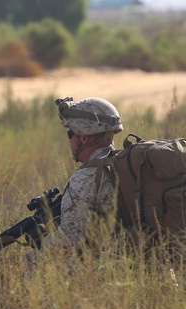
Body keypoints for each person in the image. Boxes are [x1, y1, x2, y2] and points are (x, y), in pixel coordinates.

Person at [23, 96, 123, 272]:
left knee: (34, 260)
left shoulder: (86, 176)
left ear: (83, 139)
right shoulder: (125, 164)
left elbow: (70, 236)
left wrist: (43, 242)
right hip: (145, 256)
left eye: (71, 134)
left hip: (113, 266)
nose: (70, 140)